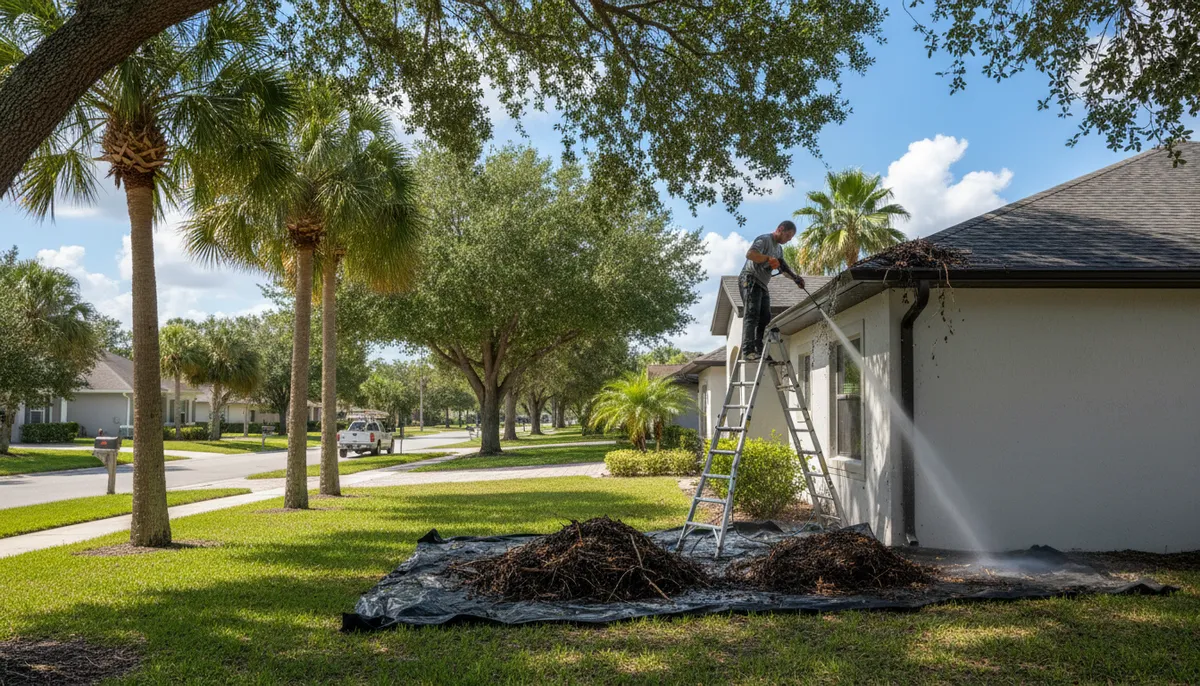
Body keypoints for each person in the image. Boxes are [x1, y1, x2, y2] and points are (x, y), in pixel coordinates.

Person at [739, 220, 804, 361]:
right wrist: (768, 258)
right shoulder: (764, 240)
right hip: (750, 279)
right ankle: (748, 351)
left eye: (791, 237)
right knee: (752, 314)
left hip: (762, 284)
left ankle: (759, 350)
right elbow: (750, 254)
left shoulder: (779, 250)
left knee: (765, 317)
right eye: (788, 236)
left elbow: (783, 268)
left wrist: (796, 279)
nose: (789, 240)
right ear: (780, 229)